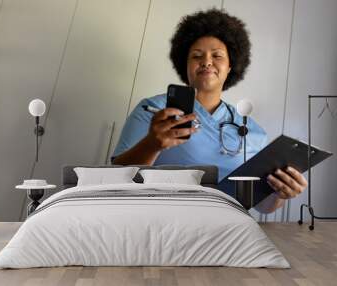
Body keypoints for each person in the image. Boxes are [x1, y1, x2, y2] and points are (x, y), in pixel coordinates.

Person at [111, 9, 307, 213]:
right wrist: (152, 144)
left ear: (231, 65)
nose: (206, 61)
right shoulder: (153, 109)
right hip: (162, 222)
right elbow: (117, 176)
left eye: (217, 55)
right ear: (184, 65)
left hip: (226, 230)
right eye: (197, 56)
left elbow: (262, 205)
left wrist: (280, 193)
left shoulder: (253, 131)